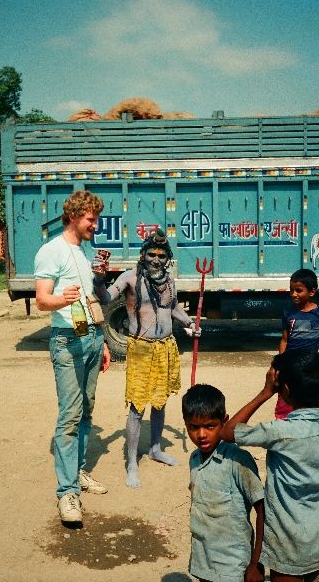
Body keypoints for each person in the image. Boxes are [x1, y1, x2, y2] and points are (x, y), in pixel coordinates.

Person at [93, 229, 200, 488]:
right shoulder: (130, 278)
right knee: (137, 408)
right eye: (151, 254)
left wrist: (190, 323)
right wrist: (98, 279)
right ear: (143, 255)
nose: (156, 260)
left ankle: (155, 448)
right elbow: (106, 297)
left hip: (166, 347)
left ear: (167, 258)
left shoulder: (169, 280)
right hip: (141, 348)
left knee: (160, 402)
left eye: (161, 256)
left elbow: (172, 307)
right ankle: (132, 463)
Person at [34, 190, 111, 524]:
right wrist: (60, 301)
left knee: (87, 409)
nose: (95, 224)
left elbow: (89, 299)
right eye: (91, 219)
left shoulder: (83, 251)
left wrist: (102, 342)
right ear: (74, 217)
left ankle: (78, 471)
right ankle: (67, 493)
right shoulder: (51, 251)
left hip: (89, 335)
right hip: (66, 340)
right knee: (69, 415)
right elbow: (41, 300)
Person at [221, 350, 319, 582]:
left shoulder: (279, 431)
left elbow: (228, 431)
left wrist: (265, 392)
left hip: (289, 545)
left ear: (285, 391)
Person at [182, 383, 265, 582]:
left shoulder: (237, 460)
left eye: (210, 426)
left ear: (224, 422)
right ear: (185, 423)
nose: (201, 434)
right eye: (194, 427)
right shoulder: (194, 458)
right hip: (203, 561)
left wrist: (256, 563)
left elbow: (263, 511)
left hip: (232, 565)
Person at [275, 268, 319, 419]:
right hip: (291, 364)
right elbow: (284, 340)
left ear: (311, 292)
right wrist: (280, 364)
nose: (294, 294)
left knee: (308, 400)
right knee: (284, 404)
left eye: (298, 290)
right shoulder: (288, 313)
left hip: (310, 365)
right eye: (292, 290)